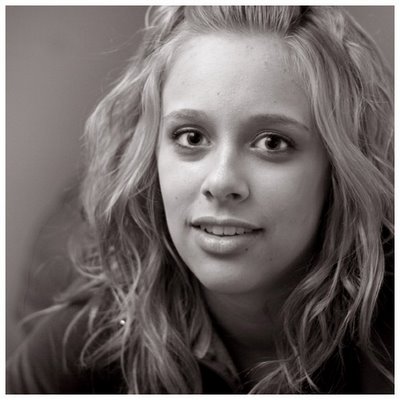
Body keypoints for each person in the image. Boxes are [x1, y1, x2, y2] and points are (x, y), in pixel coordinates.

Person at [6, 6, 393, 394]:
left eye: (272, 143)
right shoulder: (80, 350)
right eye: (191, 137)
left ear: (339, 169)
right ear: (150, 157)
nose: (221, 182)